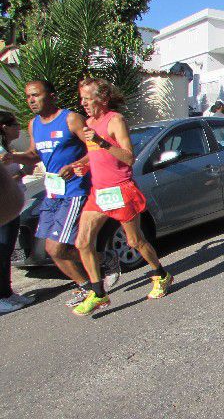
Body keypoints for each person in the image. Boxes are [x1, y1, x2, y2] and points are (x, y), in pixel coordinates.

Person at [71, 78, 172, 316]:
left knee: (134, 242)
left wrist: (102, 142)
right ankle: (98, 293)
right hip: (99, 192)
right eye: (82, 99)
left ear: (103, 99)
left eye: (87, 98)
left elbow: (128, 157)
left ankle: (161, 275)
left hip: (120, 190)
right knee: (82, 242)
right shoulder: (88, 122)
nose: (83, 103)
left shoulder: (115, 120)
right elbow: (94, 154)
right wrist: (82, 164)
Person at [1, 80, 103, 307]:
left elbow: (96, 146)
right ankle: (92, 277)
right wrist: (13, 157)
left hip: (74, 190)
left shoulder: (71, 119)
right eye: (28, 96)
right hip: (53, 193)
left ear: (52, 96)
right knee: (53, 249)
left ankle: (94, 282)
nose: (31, 100)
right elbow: (34, 155)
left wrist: (76, 164)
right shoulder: (33, 124)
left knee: (56, 248)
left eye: (36, 95)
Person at [0, 112, 34, 313]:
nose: (18, 127)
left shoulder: (6, 149)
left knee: (6, 252)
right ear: (3, 127)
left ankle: (7, 293)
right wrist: (23, 172)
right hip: (4, 207)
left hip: (11, 207)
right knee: (2, 251)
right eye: (14, 124)